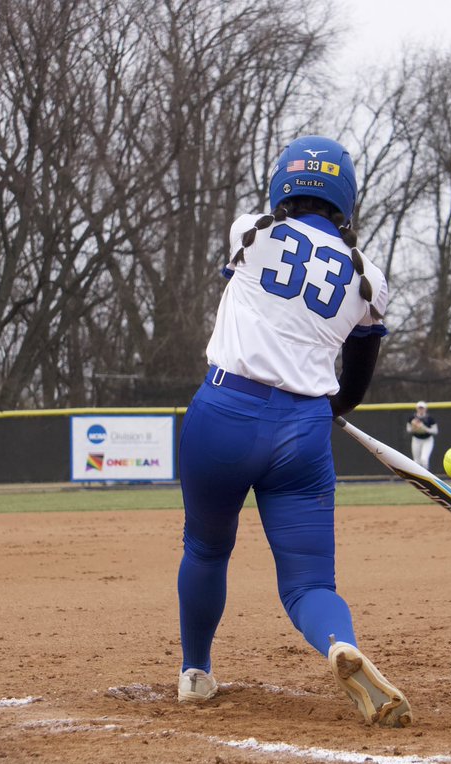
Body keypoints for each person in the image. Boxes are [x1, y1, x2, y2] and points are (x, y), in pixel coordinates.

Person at [175, 134, 411, 727]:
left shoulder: (249, 231)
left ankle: (197, 672)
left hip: (224, 412)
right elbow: (357, 376)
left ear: (284, 184)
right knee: (308, 581)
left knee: (206, 547)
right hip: (303, 431)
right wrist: (332, 409)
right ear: (346, 198)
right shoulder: (369, 279)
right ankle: (337, 643)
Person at [405, 401, 439, 470]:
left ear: (425, 409)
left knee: (424, 459)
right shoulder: (412, 418)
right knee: (416, 461)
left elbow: (435, 431)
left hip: (427, 440)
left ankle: (426, 477)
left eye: (422, 408)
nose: (421, 410)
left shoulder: (430, 419)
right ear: (416, 409)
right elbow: (408, 430)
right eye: (419, 408)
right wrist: (414, 428)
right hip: (416, 439)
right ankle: (418, 478)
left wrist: (424, 428)